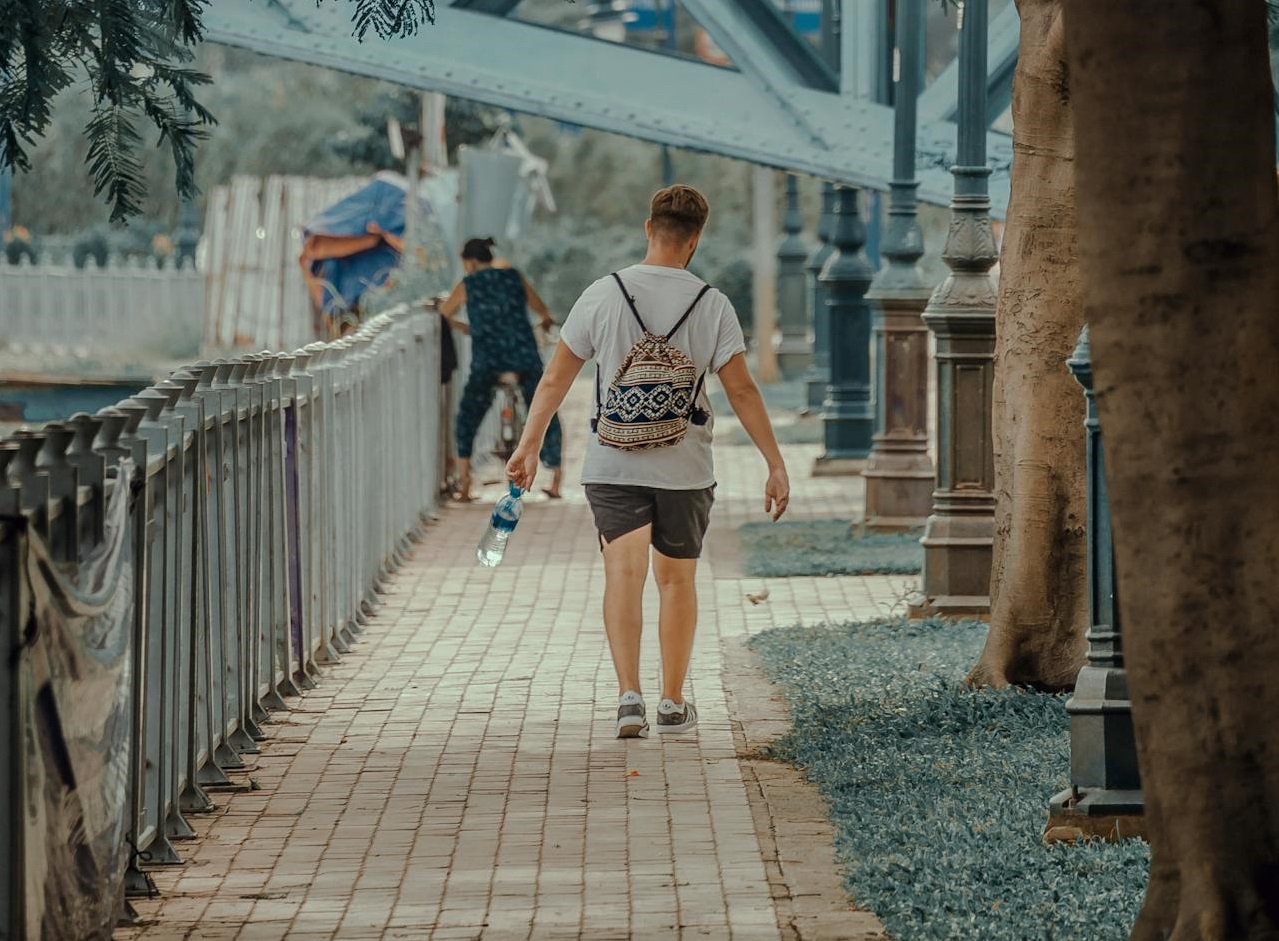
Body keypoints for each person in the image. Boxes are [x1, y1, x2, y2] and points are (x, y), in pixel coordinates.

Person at [506, 185, 790, 738]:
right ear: (695, 239)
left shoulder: (602, 294)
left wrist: (529, 444)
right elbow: (742, 390)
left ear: (648, 228)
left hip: (612, 462)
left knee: (623, 573)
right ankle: (672, 702)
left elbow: (555, 378)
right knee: (677, 581)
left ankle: (629, 697)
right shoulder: (712, 303)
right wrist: (774, 463)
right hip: (685, 468)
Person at [438, 237, 564, 502]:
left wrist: (470, 328)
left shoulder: (468, 283)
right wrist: (541, 325)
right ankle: (555, 478)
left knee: (468, 415)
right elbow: (542, 311)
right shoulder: (514, 276)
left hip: (488, 361)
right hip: (524, 356)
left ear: (469, 262)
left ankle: (465, 483)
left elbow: (445, 313)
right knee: (544, 408)